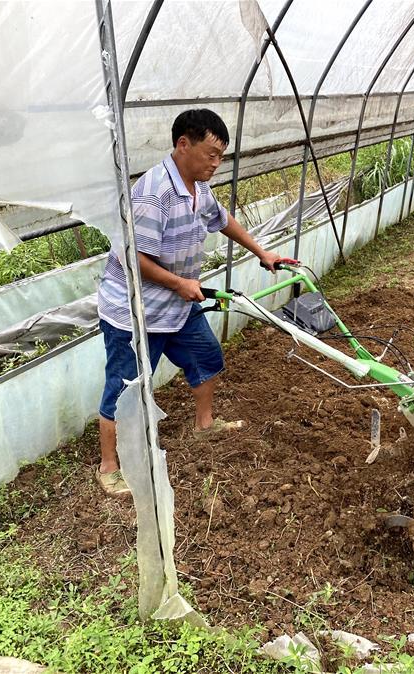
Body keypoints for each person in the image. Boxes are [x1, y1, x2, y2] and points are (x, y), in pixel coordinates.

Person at [95, 108, 290, 496]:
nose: (217, 163)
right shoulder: (154, 194)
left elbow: (222, 219)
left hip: (176, 305)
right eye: (211, 153)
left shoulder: (198, 187)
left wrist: (261, 252)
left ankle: (204, 424)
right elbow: (134, 259)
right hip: (135, 312)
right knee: (124, 387)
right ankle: (109, 466)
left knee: (206, 356)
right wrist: (180, 283)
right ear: (183, 144)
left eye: (221, 156)